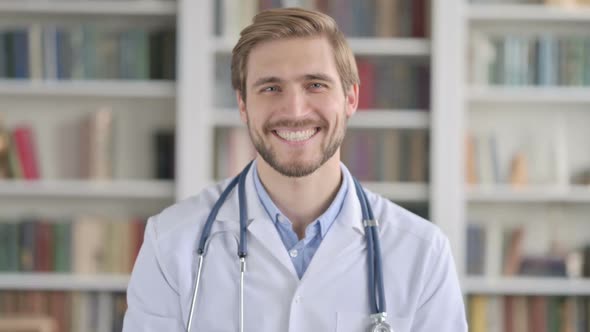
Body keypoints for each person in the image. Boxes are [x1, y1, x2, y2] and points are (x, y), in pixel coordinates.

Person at [123, 7, 467, 332]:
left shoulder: (422, 252)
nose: (295, 109)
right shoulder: (170, 242)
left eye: (315, 84)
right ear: (243, 105)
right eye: (271, 88)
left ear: (350, 98)